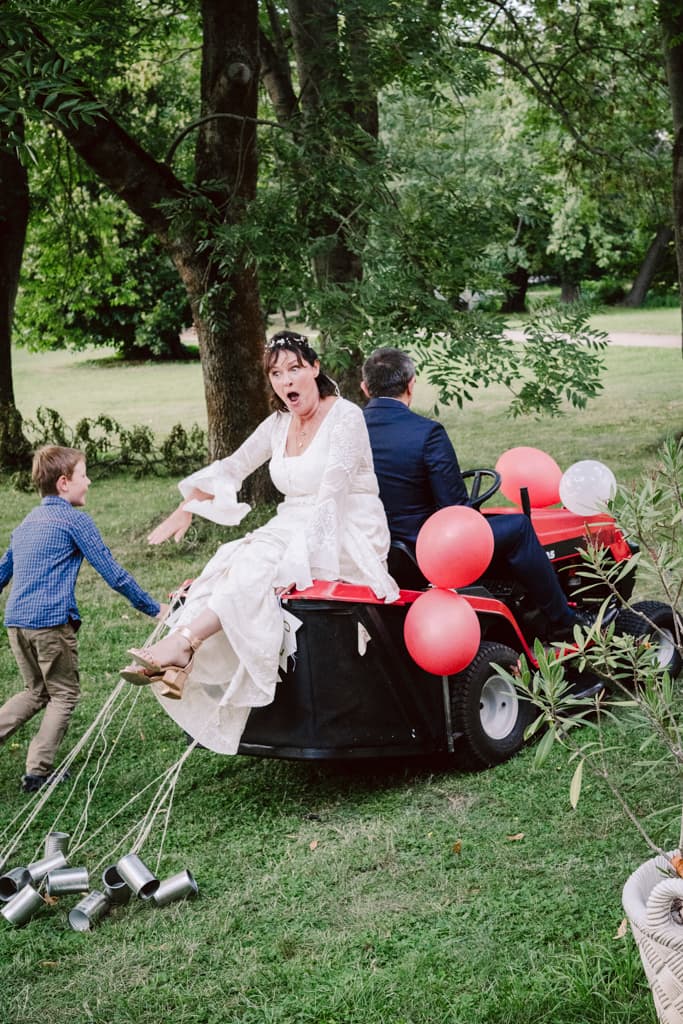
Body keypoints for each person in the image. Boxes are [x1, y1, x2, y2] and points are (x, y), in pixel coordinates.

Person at [121, 331, 398, 754]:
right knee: (227, 563)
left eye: (294, 369)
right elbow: (233, 468)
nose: (286, 381)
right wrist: (189, 505)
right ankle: (181, 652)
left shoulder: (345, 416)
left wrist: (304, 560)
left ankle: (183, 645)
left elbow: (332, 494)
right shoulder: (278, 424)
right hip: (293, 523)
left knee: (257, 563)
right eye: (276, 373)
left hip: (347, 526)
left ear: (314, 369)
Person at [361, 346, 599, 639]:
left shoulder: (348, 432)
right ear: (411, 384)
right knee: (520, 527)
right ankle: (563, 619)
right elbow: (456, 508)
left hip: (376, 551)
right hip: (424, 552)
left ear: (364, 388)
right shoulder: (426, 433)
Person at [0, 445, 164, 793]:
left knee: (35, 691)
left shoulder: (27, 522)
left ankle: (36, 767)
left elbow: (2, 572)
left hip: (16, 622)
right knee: (64, 694)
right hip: (49, 624)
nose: (88, 482)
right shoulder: (74, 521)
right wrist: (155, 608)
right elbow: (114, 575)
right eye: (83, 475)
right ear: (63, 483)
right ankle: (38, 772)